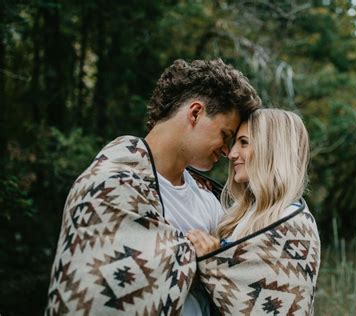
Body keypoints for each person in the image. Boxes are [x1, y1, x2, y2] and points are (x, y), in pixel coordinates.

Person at [45, 59, 261, 315]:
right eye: (225, 136)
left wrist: (214, 263)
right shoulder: (111, 181)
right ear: (195, 113)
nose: (228, 151)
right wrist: (200, 258)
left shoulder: (210, 202)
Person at [187, 109, 321, 315]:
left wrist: (210, 263)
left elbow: (281, 308)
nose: (231, 154)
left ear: (272, 149)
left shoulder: (294, 223)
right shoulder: (239, 215)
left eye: (244, 142)